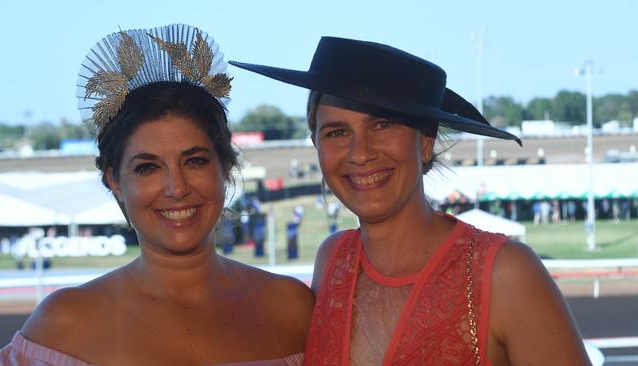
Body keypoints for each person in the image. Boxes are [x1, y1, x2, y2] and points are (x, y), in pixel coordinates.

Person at [230, 37, 590, 365]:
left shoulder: (505, 273)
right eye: (337, 132)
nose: (360, 153)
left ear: (425, 142)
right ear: (318, 147)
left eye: (382, 125)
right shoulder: (332, 261)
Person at [0, 24, 312, 366]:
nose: (176, 188)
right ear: (114, 180)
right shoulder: (63, 326)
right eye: (147, 167)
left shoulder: (292, 309)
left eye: (195, 161)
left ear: (225, 166)